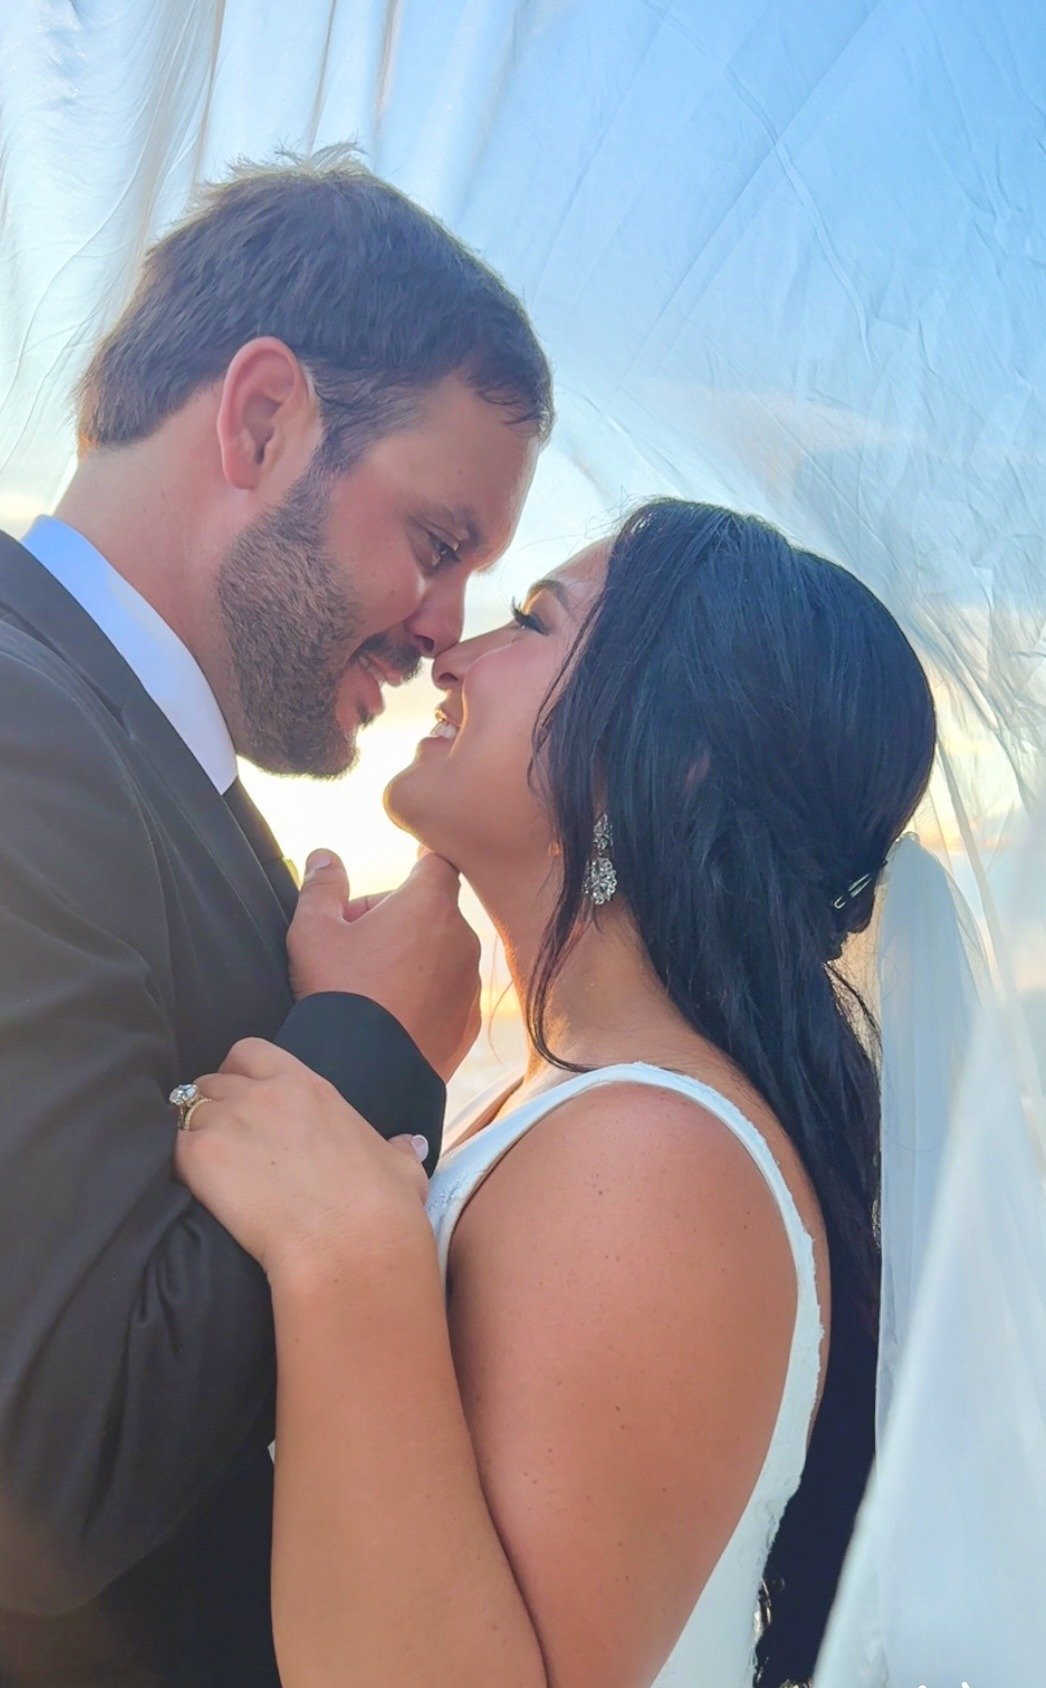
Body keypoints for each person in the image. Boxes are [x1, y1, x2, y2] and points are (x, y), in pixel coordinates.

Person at [0, 151, 549, 1686]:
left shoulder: (169, 784)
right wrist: (363, 1046)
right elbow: (35, 1480)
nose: (445, 637)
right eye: (440, 545)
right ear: (263, 419)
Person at [173, 498, 937, 1688]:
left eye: (533, 620)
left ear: (670, 756)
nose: (455, 650)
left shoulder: (653, 1159)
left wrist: (346, 1246)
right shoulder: (601, 1114)